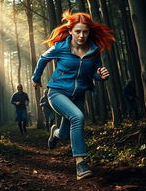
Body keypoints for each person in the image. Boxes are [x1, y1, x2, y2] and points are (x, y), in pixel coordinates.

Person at [32, 11, 115, 180]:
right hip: (57, 92)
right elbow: (42, 59)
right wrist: (36, 78)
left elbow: (96, 73)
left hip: (78, 96)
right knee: (78, 117)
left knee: (63, 135)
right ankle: (80, 164)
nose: (81, 35)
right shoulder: (60, 47)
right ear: (70, 31)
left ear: (89, 32)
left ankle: (55, 133)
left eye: (85, 31)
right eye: (78, 31)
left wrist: (102, 75)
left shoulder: (94, 50)